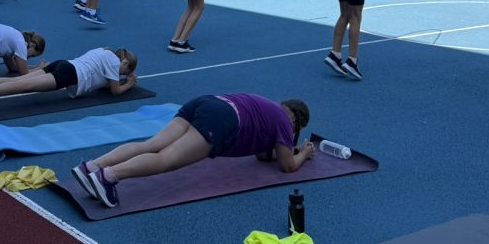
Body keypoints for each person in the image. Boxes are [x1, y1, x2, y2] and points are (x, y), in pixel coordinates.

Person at [71, 94, 313, 209]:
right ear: (296, 123)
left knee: (152, 145)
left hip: (208, 103)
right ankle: (108, 177)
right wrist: (303, 152)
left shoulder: (269, 108)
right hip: (223, 121)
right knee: (167, 160)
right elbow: (288, 166)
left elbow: (262, 155)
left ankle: (93, 166)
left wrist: (285, 149)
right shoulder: (284, 121)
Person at [0, 46, 138, 119]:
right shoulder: (114, 63)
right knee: (24, 86)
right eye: (126, 71)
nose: (122, 74)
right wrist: (129, 84)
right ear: (126, 64)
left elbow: (102, 81)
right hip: (70, 74)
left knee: (20, 80)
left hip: (63, 64)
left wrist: (120, 78)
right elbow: (115, 91)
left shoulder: (104, 51)